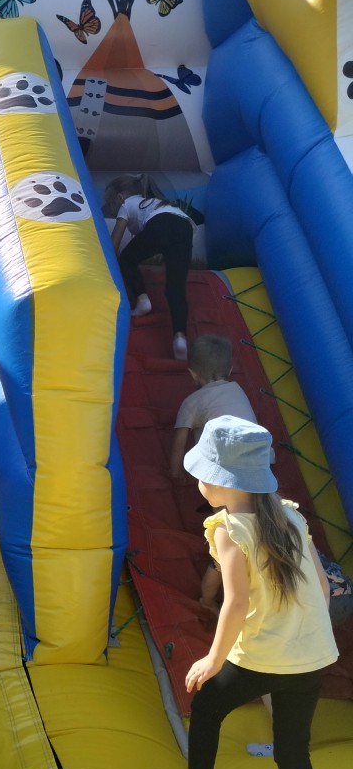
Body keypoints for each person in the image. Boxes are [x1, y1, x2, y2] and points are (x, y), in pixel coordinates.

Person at [163, 416, 338, 769]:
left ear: (220, 481)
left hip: (261, 657)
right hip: (311, 657)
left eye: (202, 473)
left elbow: (236, 603)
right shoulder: (291, 516)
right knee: (293, 751)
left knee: (207, 708)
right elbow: (322, 588)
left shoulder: (229, 529)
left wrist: (212, 659)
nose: (198, 481)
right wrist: (304, 637)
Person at [170, 334, 261, 614]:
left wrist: (175, 473)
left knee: (224, 546)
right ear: (230, 370)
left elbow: (179, 444)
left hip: (223, 476)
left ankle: (207, 601)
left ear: (192, 374)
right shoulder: (238, 391)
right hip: (257, 468)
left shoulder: (192, 401)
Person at [103, 173, 195, 360]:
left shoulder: (127, 204)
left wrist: (104, 264)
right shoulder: (154, 203)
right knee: (175, 287)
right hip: (185, 227)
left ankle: (143, 300)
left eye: (111, 205)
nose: (113, 211)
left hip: (161, 224)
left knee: (126, 260)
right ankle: (180, 337)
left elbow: (115, 243)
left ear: (120, 197)